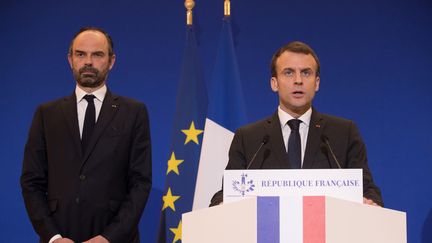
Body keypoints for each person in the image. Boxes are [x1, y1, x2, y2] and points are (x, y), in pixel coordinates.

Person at [210, 41, 383, 207]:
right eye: (288, 72)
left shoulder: (343, 133)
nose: (298, 80)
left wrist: (369, 201)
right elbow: (228, 192)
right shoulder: (249, 138)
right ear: (274, 83)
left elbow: (367, 188)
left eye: (306, 73)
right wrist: (221, 204)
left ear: (317, 83)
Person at [20, 27, 152, 243]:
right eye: (81, 54)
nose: (88, 62)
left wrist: (109, 237)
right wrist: (53, 237)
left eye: (98, 54)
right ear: (70, 60)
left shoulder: (134, 112)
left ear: (111, 61)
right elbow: (31, 182)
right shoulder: (46, 114)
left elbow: (140, 183)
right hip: (60, 236)